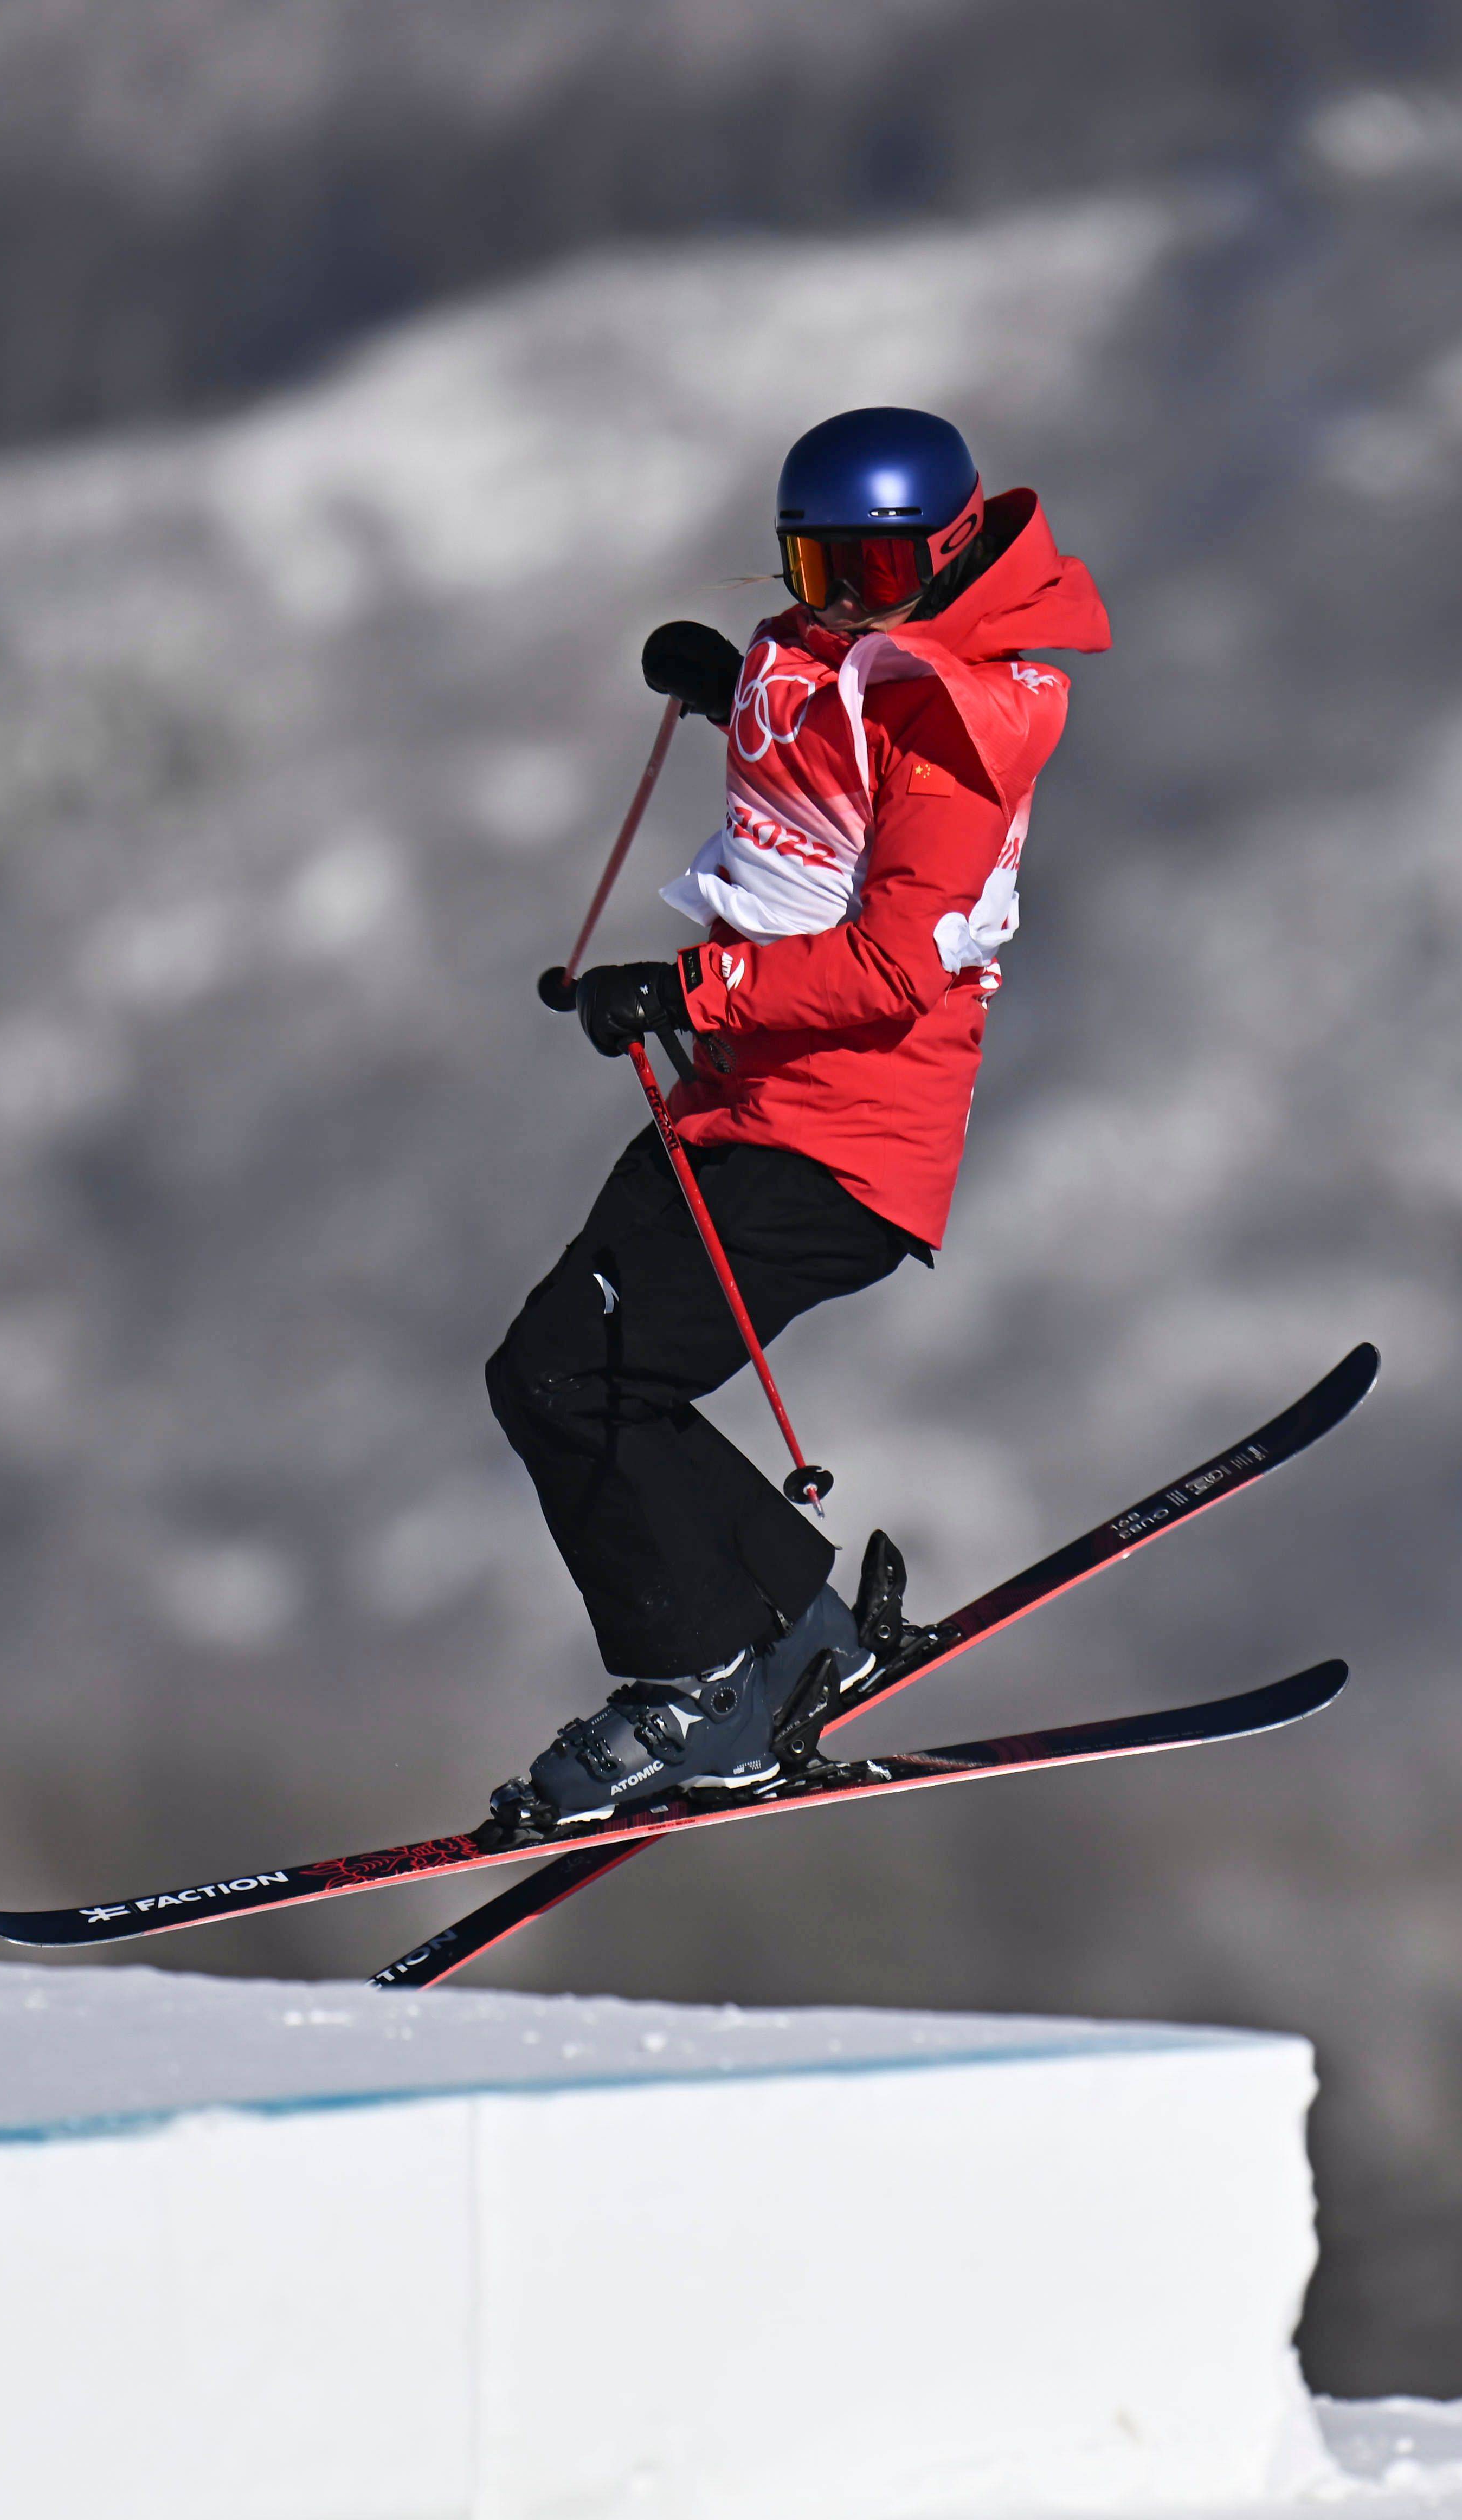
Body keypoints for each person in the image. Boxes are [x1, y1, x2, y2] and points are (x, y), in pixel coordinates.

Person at [485, 407, 1110, 1830]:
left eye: (871, 579)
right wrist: (732, 693)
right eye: (810, 575)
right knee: (552, 1373)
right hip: (749, 1108)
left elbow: (896, 954)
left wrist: (685, 986)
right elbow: (834, 769)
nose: (839, 606)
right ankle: (788, 1629)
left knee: (577, 1379)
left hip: (839, 1144)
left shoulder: (961, 729)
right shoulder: (870, 663)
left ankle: (698, 1684)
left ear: (946, 560)